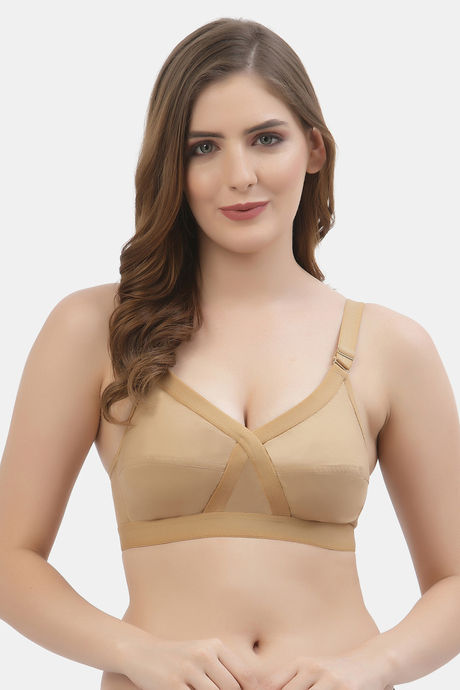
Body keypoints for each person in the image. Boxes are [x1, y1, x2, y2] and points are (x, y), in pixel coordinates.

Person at [0, 16, 459, 690]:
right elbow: (10, 560)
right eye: (204, 147)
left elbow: (454, 580)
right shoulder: (93, 329)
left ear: (314, 148)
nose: (239, 175)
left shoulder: (393, 346)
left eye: (266, 139)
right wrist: (135, 651)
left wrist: (370, 667)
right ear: (173, 165)